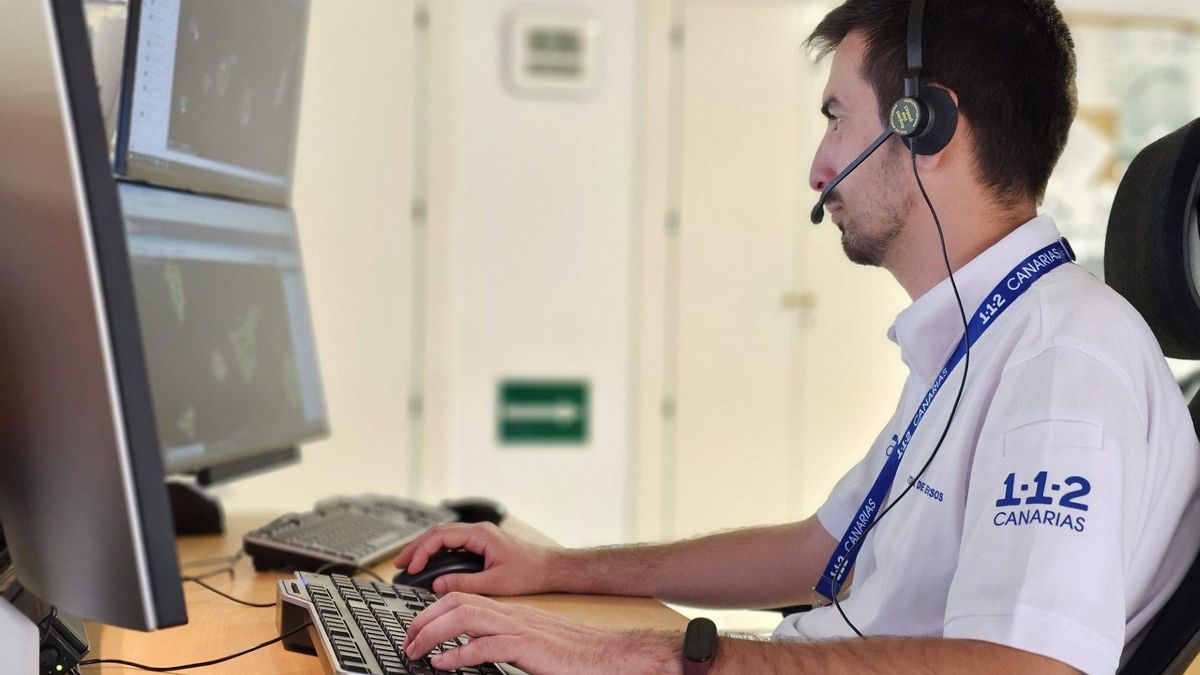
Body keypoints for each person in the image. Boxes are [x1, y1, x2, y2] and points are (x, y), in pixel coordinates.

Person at [396, 1, 1200, 672]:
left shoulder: (1065, 358)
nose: (820, 168)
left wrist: (646, 655)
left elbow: (1030, 667)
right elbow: (827, 550)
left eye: (836, 119)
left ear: (928, 124)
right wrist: (556, 568)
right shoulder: (980, 337)